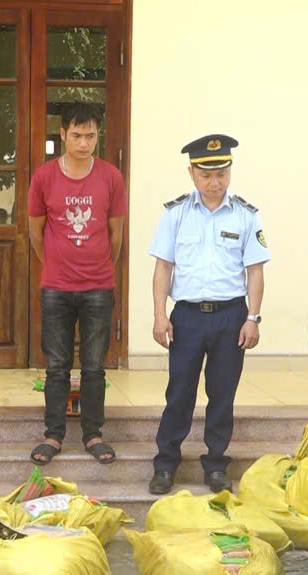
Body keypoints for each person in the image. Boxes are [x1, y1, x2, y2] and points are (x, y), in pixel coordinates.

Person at [147, 134, 269, 495]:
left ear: (230, 171)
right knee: (179, 392)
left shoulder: (247, 215)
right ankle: (165, 463)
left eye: (221, 173)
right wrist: (159, 314)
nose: (214, 183)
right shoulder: (176, 214)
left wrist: (254, 318)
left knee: (222, 392)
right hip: (186, 316)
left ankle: (216, 464)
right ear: (192, 173)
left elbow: (255, 272)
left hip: (231, 316)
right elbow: (163, 268)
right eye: (206, 175)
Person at [26, 102, 127, 466]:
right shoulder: (44, 177)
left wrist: (100, 266)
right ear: (63, 134)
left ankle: (93, 433)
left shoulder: (111, 177)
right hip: (56, 286)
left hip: (99, 286)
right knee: (56, 364)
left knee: (95, 366)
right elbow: (35, 230)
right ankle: (53, 435)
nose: (84, 143)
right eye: (77, 135)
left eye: (91, 135)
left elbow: (116, 234)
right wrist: (55, 262)